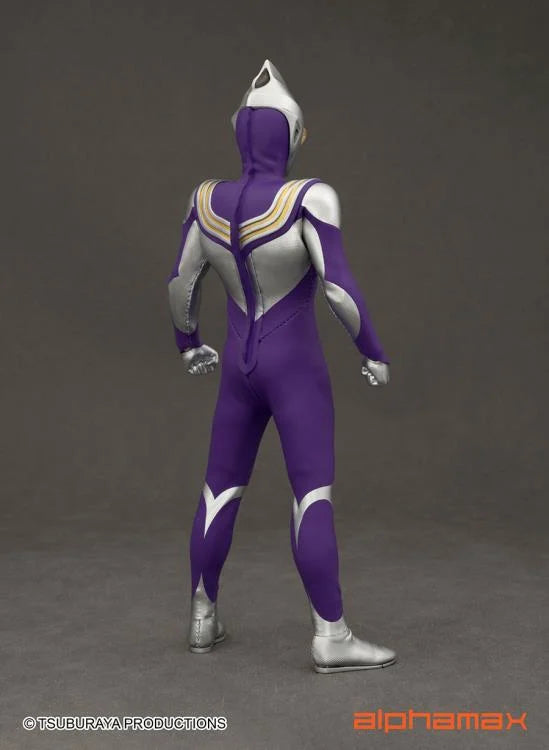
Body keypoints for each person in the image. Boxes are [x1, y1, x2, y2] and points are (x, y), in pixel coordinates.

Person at [167, 60, 396, 673]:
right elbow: (338, 289)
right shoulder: (308, 197)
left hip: (236, 368)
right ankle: (331, 635)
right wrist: (372, 351)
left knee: (219, 488)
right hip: (294, 367)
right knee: (310, 492)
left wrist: (188, 342)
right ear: (292, 135)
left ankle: (202, 617)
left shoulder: (205, 198)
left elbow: (181, 282)